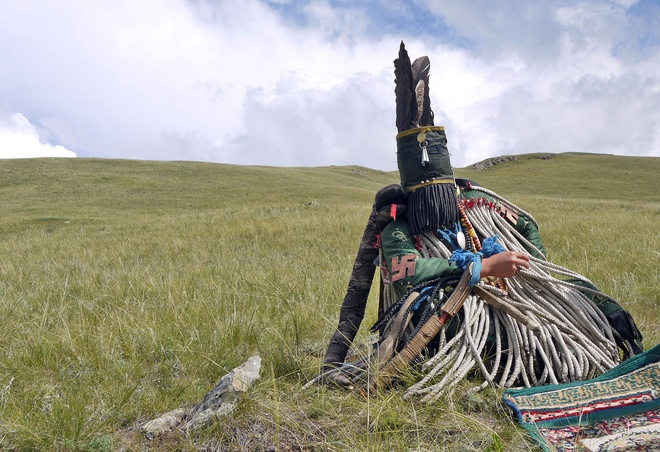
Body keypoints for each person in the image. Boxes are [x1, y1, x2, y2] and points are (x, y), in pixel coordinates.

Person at [318, 42, 643, 396]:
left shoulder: (476, 204)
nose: (435, 205)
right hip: (448, 311)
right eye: (425, 199)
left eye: (441, 195)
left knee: (599, 305)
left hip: (510, 294)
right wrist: (482, 267)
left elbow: (525, 225)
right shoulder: (399, 228)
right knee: (453, 318)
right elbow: (404, 271)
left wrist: (531, 266)